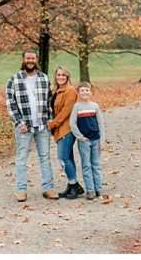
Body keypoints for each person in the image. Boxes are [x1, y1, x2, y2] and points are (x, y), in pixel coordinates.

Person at [5, 49, 58, 202]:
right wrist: (19, 122)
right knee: (22, 158)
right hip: (24, 127)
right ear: (23, 59)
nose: (30, 61)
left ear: (36, 59)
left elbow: (49, 103)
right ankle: (21, 190)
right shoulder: (14, 80)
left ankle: (48, 188)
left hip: (42, 126)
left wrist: (49, 120)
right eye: (27, 58)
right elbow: (10, 104)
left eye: (32, 58)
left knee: (45, 157)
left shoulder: (43, 78)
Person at [46, 66, 83, 199]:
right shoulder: (57, 90)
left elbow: (65, 112)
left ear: (67, 77)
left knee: (62, 158)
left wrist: (52, 124)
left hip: (67, 129)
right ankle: (72, 185)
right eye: (58, 75)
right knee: (69, 158)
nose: (60, 77)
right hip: (59, 129)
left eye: (63, 75)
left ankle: (75, 186)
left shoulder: (71, 91)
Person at [69, 81, 105, 200]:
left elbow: (101, 124)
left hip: (96, 139)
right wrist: (79, 137)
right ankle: (90, 190)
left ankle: (98, 188)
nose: (84, 92)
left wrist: (102, 140)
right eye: (82, 91)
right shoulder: (77, 106)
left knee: (96, 164)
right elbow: (72, 123)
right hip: (84, 141)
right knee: (86, 165)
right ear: (79, 92)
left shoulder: (95, 106)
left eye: (87, 90)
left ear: (91, 92)